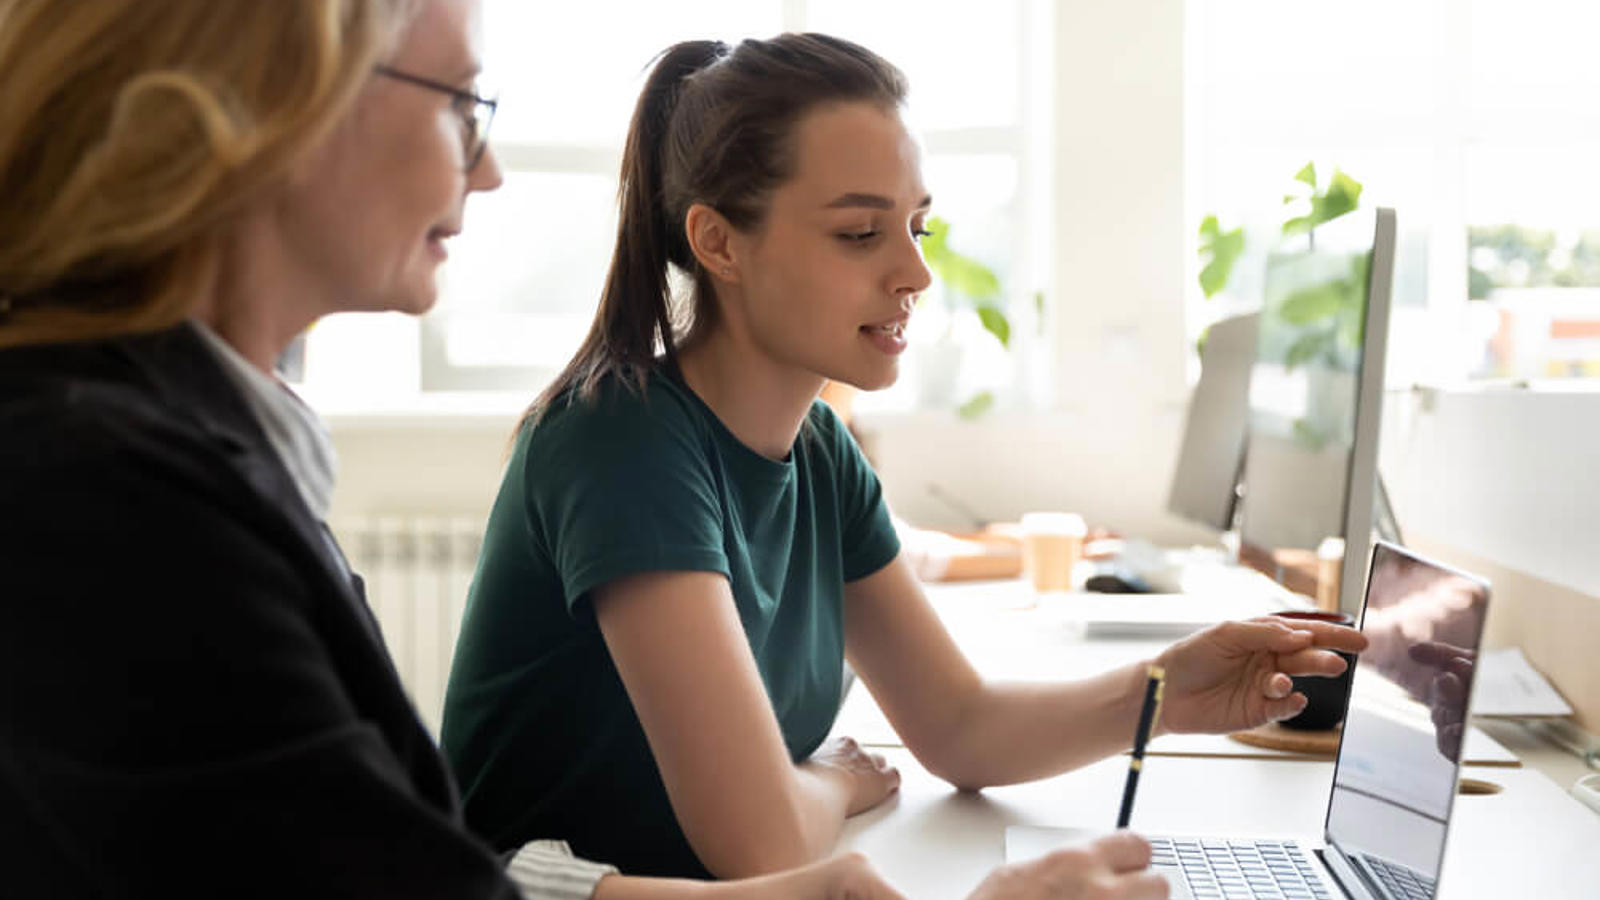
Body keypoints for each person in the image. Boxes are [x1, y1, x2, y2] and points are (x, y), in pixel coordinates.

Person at [0, 3, 1176, 898]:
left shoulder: (190, 457)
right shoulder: (114, 499)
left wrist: (1179, 687)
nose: (491, 167)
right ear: (271, 108)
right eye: (460, 102)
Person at [441, 32, 1368, 884]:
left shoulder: (819, 452)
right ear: (718, 241)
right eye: (859, 233)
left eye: (916, 227)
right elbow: (760, 841)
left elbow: (959, 728)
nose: (916, 273)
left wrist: (1167, 689)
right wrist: (833, 784)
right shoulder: (623, 441)